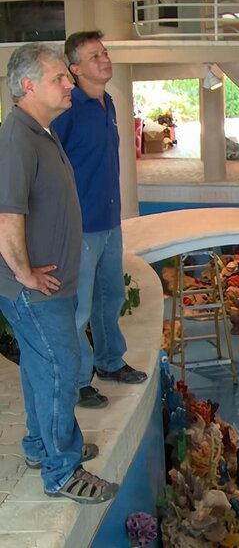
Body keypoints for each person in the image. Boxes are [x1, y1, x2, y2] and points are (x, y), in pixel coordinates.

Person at [0, 43, 119, 503]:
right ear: (29, 85)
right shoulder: (18, 137)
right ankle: (62, 470)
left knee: (39, 368)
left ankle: (41, 444)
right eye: (59, 78)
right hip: (34, 291)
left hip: (48, 285)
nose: (69, 83)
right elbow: (7, 217)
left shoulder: (41, 131)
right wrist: (25, 274)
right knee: (60, 368)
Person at [52, 30, 147, 410]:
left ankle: (110, 362)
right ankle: (77, 382)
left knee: (110, 299)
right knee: (78, 311)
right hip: (79, 227)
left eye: (104, 53)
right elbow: (47, 165)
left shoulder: (107, 101)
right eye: (94, 56)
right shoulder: (66, 110)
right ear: (74, 69)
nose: (105, 60)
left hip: (109, 221)